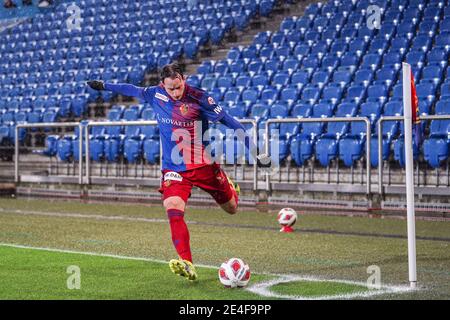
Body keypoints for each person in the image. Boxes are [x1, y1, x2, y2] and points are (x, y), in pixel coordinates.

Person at [87, 63, 267, 281]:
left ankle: (230, 186)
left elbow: (231, 122)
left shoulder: (200, 98)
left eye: (178, 87)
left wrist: (257, 152)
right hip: (173, 167)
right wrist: (104, 86)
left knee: (232, 208)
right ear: (163, 84)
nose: (175, 92)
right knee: (172, 207)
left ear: (183, 79)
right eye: (171, 88)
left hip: (203, 165)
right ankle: (187, 262)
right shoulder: (156, 94)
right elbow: (130, 89)